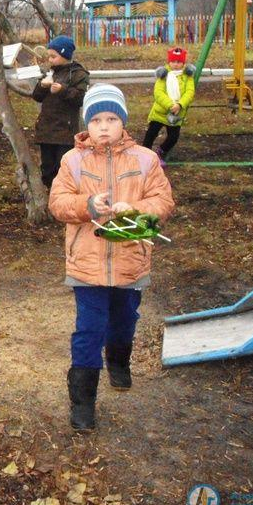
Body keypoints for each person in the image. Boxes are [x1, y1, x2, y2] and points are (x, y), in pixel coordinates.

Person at [49, 84, 174, 432]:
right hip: (86, 264)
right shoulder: (72, 161)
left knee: (123, 319)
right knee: (89, 329)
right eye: (97, 119)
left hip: (130, 259)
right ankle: (83, 402)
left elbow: (163, 203)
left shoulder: (145, 160)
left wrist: (135, 208)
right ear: (87, 123)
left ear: (124, 123)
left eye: (112, 118)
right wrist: (86, 206)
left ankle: (119, 359)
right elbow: (58, 203)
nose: (104, 126)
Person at [31, 35, 89, 188]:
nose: (50, 60)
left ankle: (64, 194)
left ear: (65, 55)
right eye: (49, 56)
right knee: (47, 167)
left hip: (65, 131)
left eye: (53, 56)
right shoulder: (50, 73)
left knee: (63, 166)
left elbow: (80, 99)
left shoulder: (78, 74)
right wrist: (42, 87)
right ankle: (50, 192)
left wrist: (63, 90)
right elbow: (36, 97)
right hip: (47, 130)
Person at [143, 47, 196, 167]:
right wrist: (170, 104)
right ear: (169, 62)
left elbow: (189, 92)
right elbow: (158, 92)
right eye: (173, 62)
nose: (176, 65)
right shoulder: (164, 75)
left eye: (179, 62)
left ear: (183, 63)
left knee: (173, 137)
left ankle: (159, 153)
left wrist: (180, 104)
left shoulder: (187, 76)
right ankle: (144, 155)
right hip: (160, 111)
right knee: (151, 134)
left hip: (176, 113)